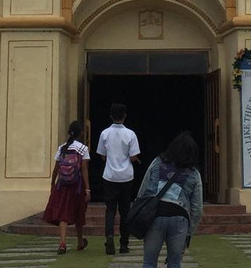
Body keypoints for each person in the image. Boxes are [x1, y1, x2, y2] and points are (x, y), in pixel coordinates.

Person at [135, 131, 203, 268]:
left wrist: (141, 210)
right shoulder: (194, 173)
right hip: (180, 217)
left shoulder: (157, 162)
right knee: (174, 263)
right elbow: (197, 208)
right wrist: (189, 232)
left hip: (155, 215)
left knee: (148, 262)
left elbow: (143, 190)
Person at [96, 102, 140, 255]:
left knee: (110, 210)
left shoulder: (104, 133)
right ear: (125, 116)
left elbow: (102, 155)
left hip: (109, 176)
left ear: (111, 116)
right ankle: (124, 244)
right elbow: (134, 157)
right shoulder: (130, 134)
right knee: (125, 211)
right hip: (126, 177)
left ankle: (109, 238)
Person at [41, 119, 91, 254]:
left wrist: (52, 183)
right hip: (77, 185)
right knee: (79, 213)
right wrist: (88, 188)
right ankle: (80, 242)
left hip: (62, 184)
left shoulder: (62, 147)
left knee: (63, 213)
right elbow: (84, 170)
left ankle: (62, 242)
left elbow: (56, 168)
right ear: (81, 133)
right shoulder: (83, 148)